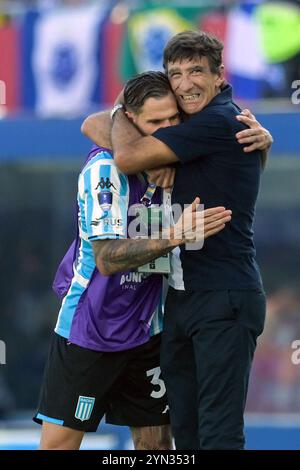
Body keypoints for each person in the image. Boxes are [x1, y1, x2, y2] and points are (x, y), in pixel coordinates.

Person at [83, 31, 271, 450]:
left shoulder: (220, 120)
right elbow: (91, 123)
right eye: (176, 74)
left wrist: (137, 142)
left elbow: (126, 155)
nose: (186, 83)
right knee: (185, 434)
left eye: (197, 71)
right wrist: (139, 137)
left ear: (220, 75)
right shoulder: (187, 122)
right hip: (183, 298)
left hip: (224, 295)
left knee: (218, 434)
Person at [33, 71, 232, 450]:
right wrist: (175, 235)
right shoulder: (104, 170)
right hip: (91, 331)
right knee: (59, 447)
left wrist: (263, 137)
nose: (167, 129)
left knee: (156, 446)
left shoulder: (176, 157)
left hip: (148, 330)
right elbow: (107, 259)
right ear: (129, 121)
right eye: (155, 122)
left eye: (173, 119)